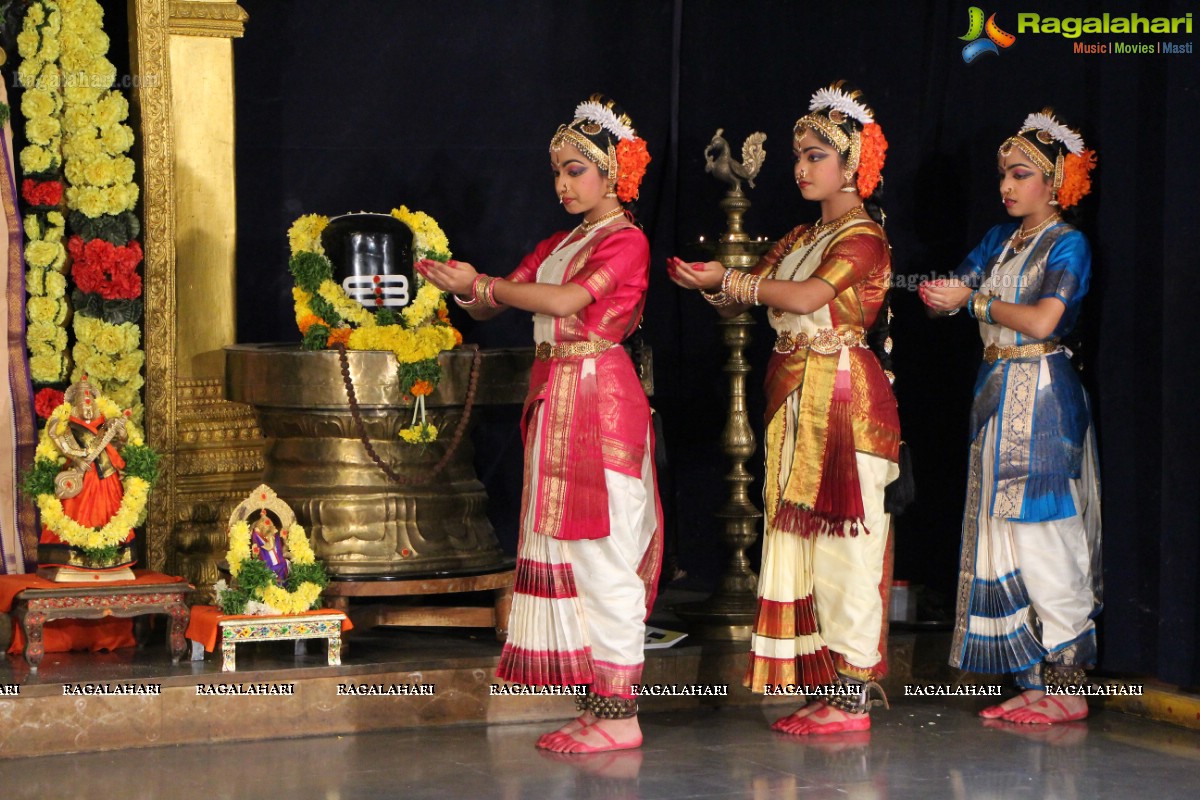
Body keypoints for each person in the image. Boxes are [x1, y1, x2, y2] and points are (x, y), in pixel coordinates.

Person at [418, 95, 662, 753]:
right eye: (556, 171)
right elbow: (499, 302)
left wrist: (487, 285)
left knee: (604, 556)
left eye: (576, 170)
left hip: (600, 404)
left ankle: (620, 713)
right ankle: (598, 704)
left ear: (613, 173)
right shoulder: (560, 242)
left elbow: (564, 300)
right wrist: (462, 287)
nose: (562, 183)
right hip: (557, 400)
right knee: (573, 555)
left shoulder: (627, 241)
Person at [669, 82, 901, 734]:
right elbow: (753, 296)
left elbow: (801, 299)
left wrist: (734, 280)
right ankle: (829, 685)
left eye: (816, 155)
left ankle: (855, 695)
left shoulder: (864, 239)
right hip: (796, 398)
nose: (801, 167)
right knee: (799, 540)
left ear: (852, 163)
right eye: (798, 155)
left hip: (846, 403)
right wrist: (712, 285)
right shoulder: (801, 233)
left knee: (845, 547)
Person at [921, 110, 1101, 724]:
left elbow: (1044, 320)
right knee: (1002, 533)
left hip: (1044, 394)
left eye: (1021, 174)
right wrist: (928, 292)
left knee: (1043, 532)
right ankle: (1033, 678)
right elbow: (955, 286)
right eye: (1003, 174)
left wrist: (971, 301)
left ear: (1054, 181)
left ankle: (1069, 685)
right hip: (996, 390)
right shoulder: (1002, 240)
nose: (1006, 185)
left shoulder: (1068, 243)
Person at [38, 375, 135, 571]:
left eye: (91, 406)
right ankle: (73, 559)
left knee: (110, 514)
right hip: (81, 480)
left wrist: (121, 432)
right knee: (75, 517)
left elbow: (119, 444)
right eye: (84, 406)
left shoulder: (105, 426)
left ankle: (111, 557)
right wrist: (76, 459)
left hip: (106, 478)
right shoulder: (71, 428)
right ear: (76, 409)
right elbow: (66, 447)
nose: (88, 410)